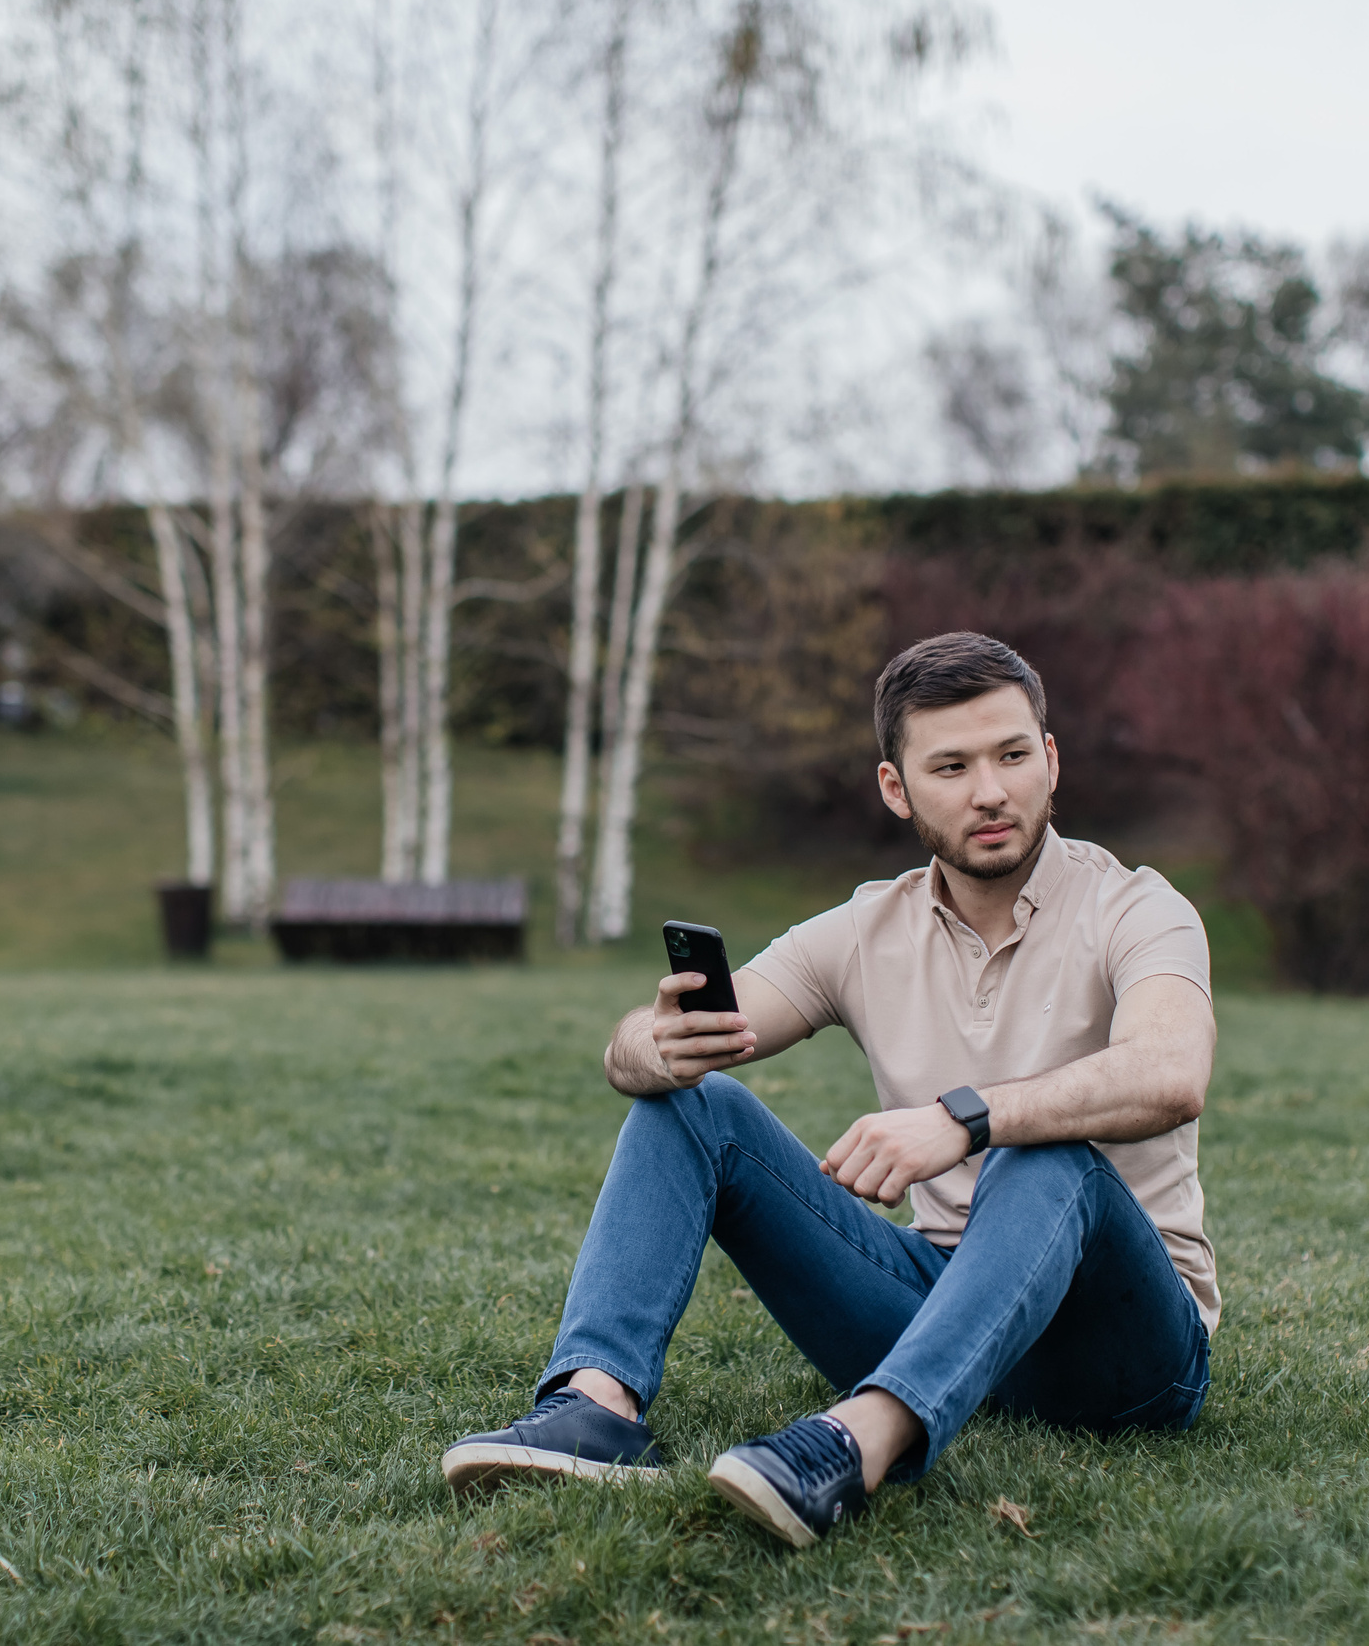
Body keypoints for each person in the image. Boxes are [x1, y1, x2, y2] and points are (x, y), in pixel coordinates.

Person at [442, 631, 1220, 1546]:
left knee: (1042, 1159)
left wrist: (964, 1118)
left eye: (1013, 755)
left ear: (1050, 760)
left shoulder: (1138, 908)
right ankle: (595, 1407)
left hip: (1125, 1344)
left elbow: (1170, 1073)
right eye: (952, 765)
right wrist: (654, 1045)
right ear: (896, 787)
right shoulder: (866, 927)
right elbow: (649, 1049)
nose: (991, 791)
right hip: (938, 1301)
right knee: (697, 1104)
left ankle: (854, 1444)